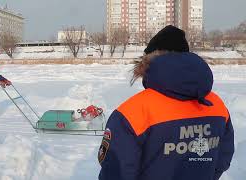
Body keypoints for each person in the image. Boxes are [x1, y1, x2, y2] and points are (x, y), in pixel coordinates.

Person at [98, 25, 234, 180]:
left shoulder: (133, 112)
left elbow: (117, 172)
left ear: (147, 64)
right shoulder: (216, 104)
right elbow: (223, 158)